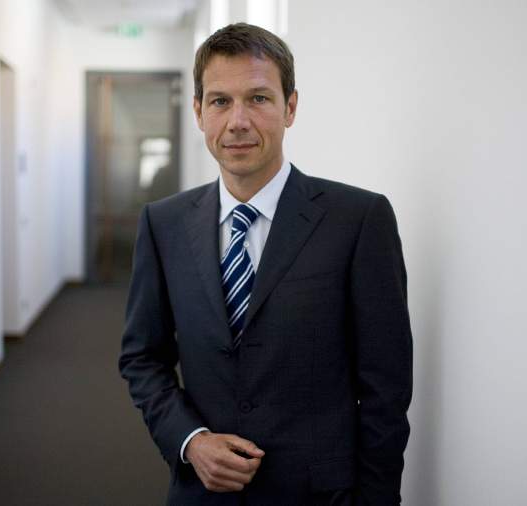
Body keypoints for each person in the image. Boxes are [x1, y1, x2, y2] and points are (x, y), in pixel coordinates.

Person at [119, 22, 413, 505]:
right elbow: (142, 358)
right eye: (220, 101)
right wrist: (191, 441)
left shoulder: (358, 219)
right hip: (203, 493)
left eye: (258, 98)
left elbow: (387, 385)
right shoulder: (163, 223)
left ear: (290, 107)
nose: (238, 121)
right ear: (198, 112)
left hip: (321, 494)